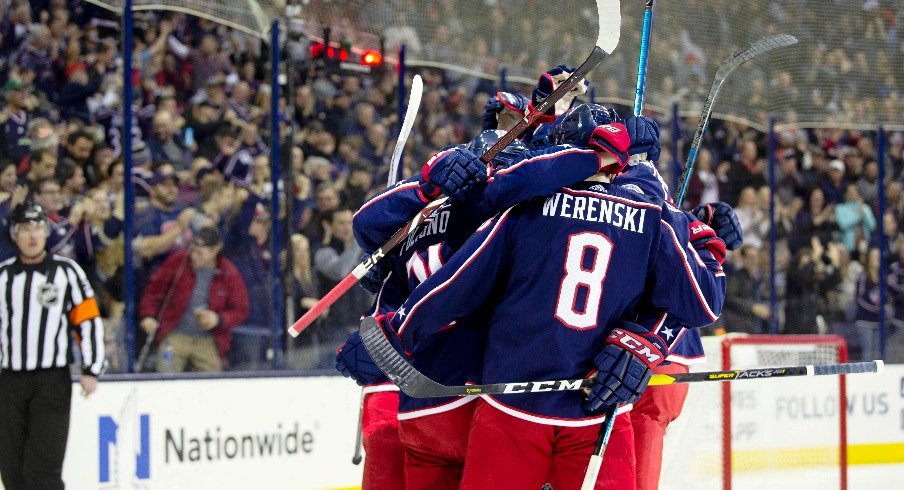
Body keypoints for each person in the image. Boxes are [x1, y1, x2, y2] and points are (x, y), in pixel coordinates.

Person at [0, 202, 105, 489]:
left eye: (38, 229)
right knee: (11, 472)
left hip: (50, 383)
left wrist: (91, 368)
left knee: (43, 470)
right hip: (9, 383)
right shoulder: (3, 276)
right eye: (25, 229)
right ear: (14, 235)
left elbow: (87, 320)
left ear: (46, 233)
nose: (32, 236)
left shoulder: (67, 272)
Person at [138, 226, 249, 372]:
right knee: (165, 374)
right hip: (174, 334)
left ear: (215, 250)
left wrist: (218, 319)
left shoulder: (229, 273)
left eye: (200, 253)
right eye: (192, 250)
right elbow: (153, 291)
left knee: (214, 380)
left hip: (209, 340)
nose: (194, 256)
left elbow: (241, 310)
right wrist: (148, 316)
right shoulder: (177, 262)